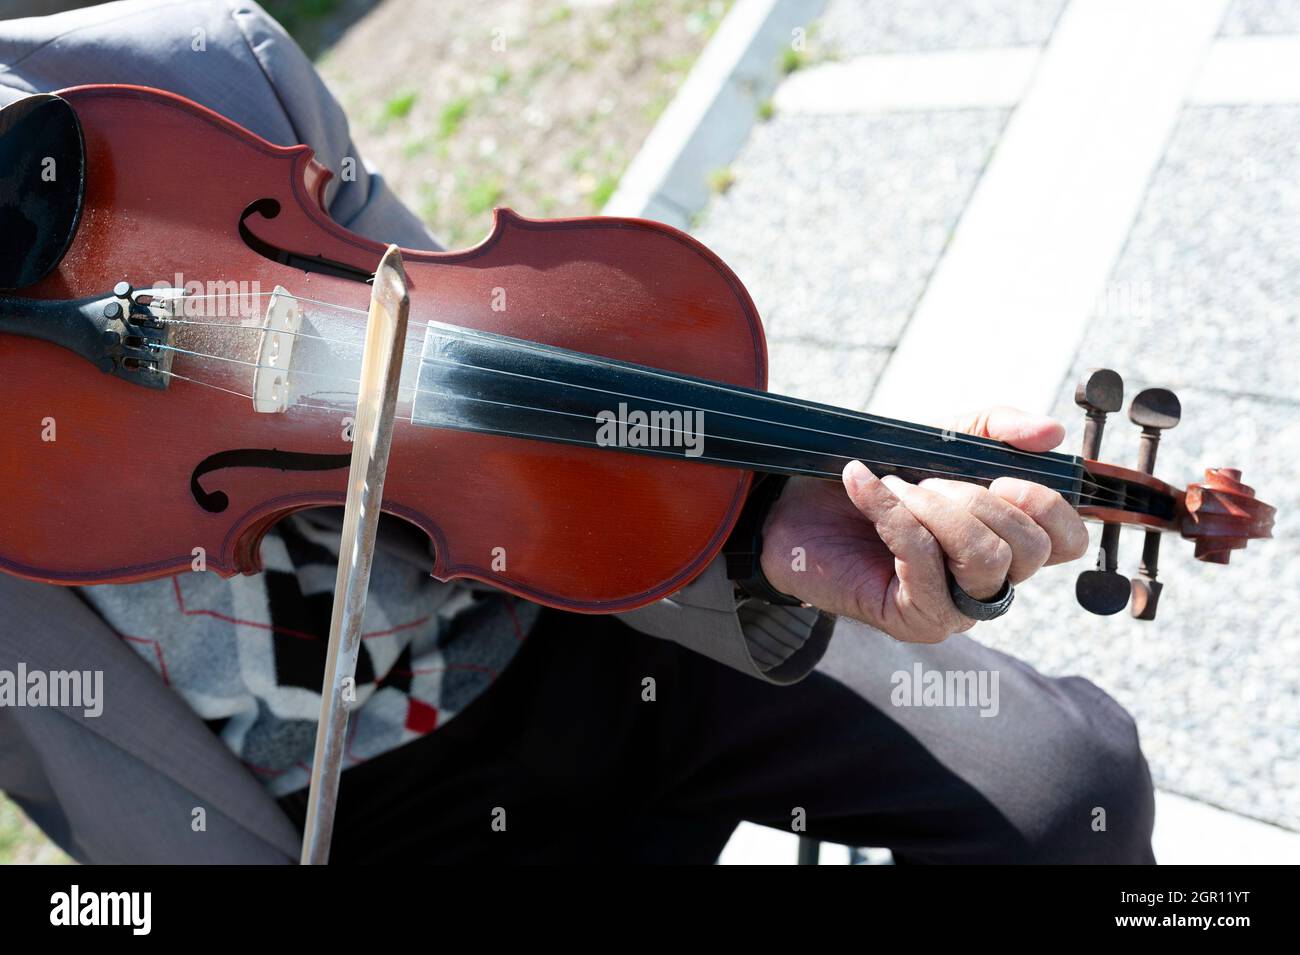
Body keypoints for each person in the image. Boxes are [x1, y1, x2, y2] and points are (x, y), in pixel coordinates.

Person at [0, 0, 1154, 863]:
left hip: (578, 611)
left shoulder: (189, 73)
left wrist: (754, 519)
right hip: (340, 816)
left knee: (1066, 788)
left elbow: (466, 389)